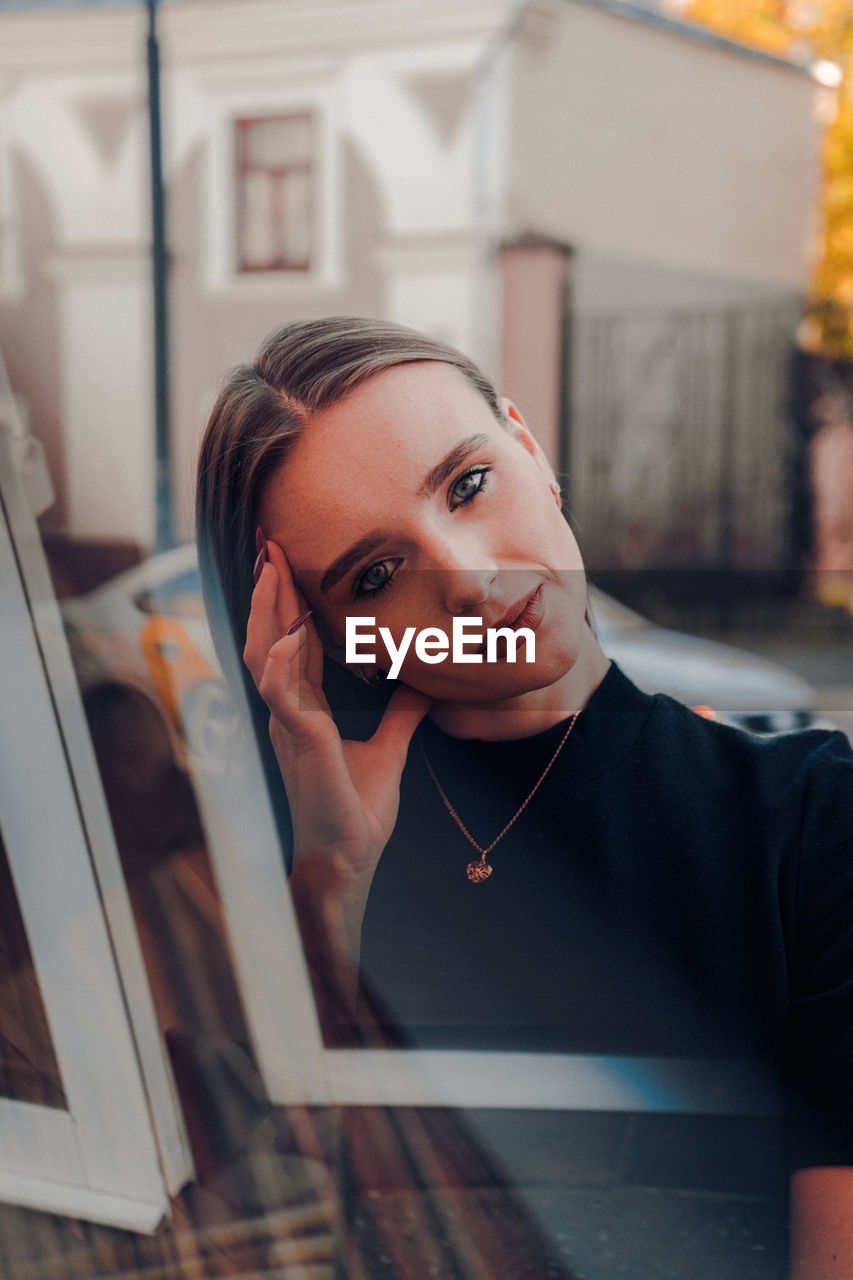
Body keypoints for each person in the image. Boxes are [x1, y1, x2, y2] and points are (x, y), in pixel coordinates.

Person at [197, 315, 853, 1278]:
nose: (467, 579)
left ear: (532, 452)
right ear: (322, 634)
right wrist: (332, 882)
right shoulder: (283, 867)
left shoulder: (810, 817)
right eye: (377, 575)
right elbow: (286, 1207)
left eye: (467, 484)